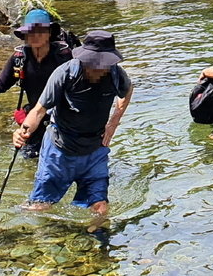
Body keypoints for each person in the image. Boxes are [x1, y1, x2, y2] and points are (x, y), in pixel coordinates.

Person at [13, 29, 133, 226]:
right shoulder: (64, 74)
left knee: (100, 208)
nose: (98, 68)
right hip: (60, 149)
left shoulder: (115, 74)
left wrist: (113, 123)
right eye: (93, 63)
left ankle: (96, 249)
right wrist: (23, 131)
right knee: (41, 207)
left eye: (103, 64)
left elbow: (127, 91)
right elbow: (39, 110)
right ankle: (28, 235)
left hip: (95, 150)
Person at [0, 9, 73, 158]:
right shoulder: (20, 58)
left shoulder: (63, 57)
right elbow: (1, 84)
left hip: (62, 119)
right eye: (30, 32)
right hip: (34, 118)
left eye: (40, 31)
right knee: (30, 160)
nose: (35, 36)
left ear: (49, 33)